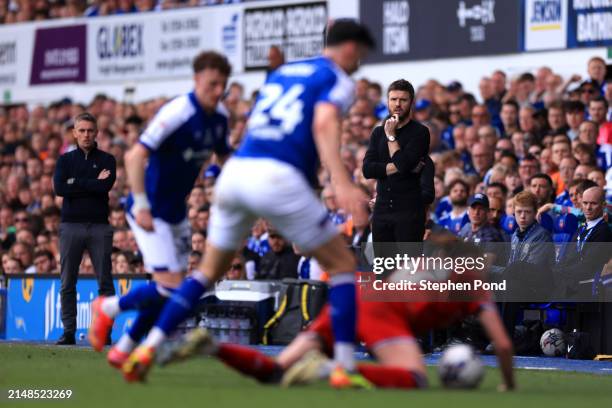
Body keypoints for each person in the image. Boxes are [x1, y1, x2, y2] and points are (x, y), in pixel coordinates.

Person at [92, 20, 375, 383]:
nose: (359, 65)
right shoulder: (338, 79)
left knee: (203, 274)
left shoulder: (284, 73)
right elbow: (323, 121)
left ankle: (144, 348)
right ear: (350, 48)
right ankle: (344, 369)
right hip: (272, 178)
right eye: (361, 56)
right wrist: (341, 182)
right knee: (343, 269)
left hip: (237, 174)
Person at [157, 239, 514, 391]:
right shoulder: (475, 285)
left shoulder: (429, 261)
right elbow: (501, 344)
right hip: (381, 309)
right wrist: (507, 385)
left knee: (277, 372)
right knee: (417, 378)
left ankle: (212, 346)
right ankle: (331, 368)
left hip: (356, 293)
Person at [88, 51, 232, 366]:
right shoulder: (178, 112)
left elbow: (224, 158)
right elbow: (134, 156)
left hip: (176, 212)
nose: (218, 90)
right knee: (173, 288)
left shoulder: (220, 117)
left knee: (167, 289)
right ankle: (108, 307)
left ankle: (124, 349)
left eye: (222, 84)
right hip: (150, 209)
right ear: (196, 80)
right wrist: (140, 205)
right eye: (212, 84)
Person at [53, 112, 116, 345]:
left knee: (105, 282)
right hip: (71, 226)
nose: (86, 135)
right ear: (74, 133)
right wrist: (92, 182)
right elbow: (60, 188)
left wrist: (76, 182)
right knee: (67, 281)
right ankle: (68, 330)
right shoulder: (65, 161)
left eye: (90, 130)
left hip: (99, 226)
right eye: (82, 130)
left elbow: (105, 186)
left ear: (96, 132)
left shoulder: (108, 160)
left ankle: (105, 332)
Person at [362, 79, 430, 243]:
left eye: (403, 100)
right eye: (393, 99)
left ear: (411, 102)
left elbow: (403, 164)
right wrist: (399, 167)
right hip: (381, 211)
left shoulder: (420, 132)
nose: (397, 104)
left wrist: (391, 136)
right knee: (384, 267)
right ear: (387, 101)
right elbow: (367, 169)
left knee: (408, 267)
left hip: (409, 213)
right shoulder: (378, 132)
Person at [555, 186, 612, 298]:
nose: (588, 207)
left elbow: (588, 266)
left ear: (603, 205)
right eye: (585, 203)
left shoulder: (603, 232)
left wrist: (558, 273)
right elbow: (567, 258)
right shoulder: (580, 229)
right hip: (568, 280)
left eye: (593, 203)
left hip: (583, 286)